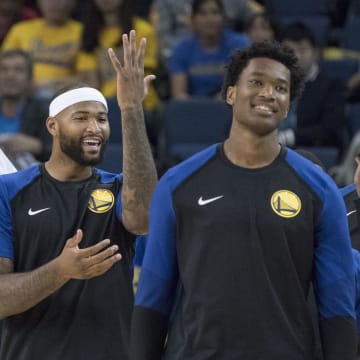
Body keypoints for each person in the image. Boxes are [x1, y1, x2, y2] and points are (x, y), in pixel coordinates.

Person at [130, 40, 357, 359]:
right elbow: (153, 299)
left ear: (288, 104)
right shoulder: (178, 183)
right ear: (231, 93)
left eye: (281, 88)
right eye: (257, 82)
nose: (268, 93)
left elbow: (338, 308)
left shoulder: (319, 189)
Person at [0, 30, 157, 360]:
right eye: (81, 118)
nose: (94, 128)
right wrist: (60, 270)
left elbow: (143, 218)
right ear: (52, 127)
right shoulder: (9, 191)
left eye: (102, 119)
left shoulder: (118, 188)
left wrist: (130, 109)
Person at [279, 22, 347, 156]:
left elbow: (330, 130)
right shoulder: (271, 85)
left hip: (311, 154)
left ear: (315, 52)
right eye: (290, 51)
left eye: (302, 50)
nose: (296, 57)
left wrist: (287, 137)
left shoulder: (331, 86)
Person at [168, 0, 251, 100]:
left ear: (223, 18)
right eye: (203, 13)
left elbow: (243, 86)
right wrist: (204, 108)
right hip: (192, 111)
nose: (210, 19)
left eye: (215, 12)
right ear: (193, 20)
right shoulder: (180, 50)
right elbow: (178, 95)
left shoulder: (240, 44)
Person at [1, 0, 82, 99]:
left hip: (65, 96)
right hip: (22, 97)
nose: (54, 3)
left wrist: (48, 84)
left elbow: (88, 79)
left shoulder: (83, 32)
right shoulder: (21, 29)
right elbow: (4, 67)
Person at [0, 48, 51, 169]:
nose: (10, 75)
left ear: (30, 79)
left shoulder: (45, 113)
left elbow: (66, 155)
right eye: (4, 69)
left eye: (18, 70)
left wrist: (38, 146)